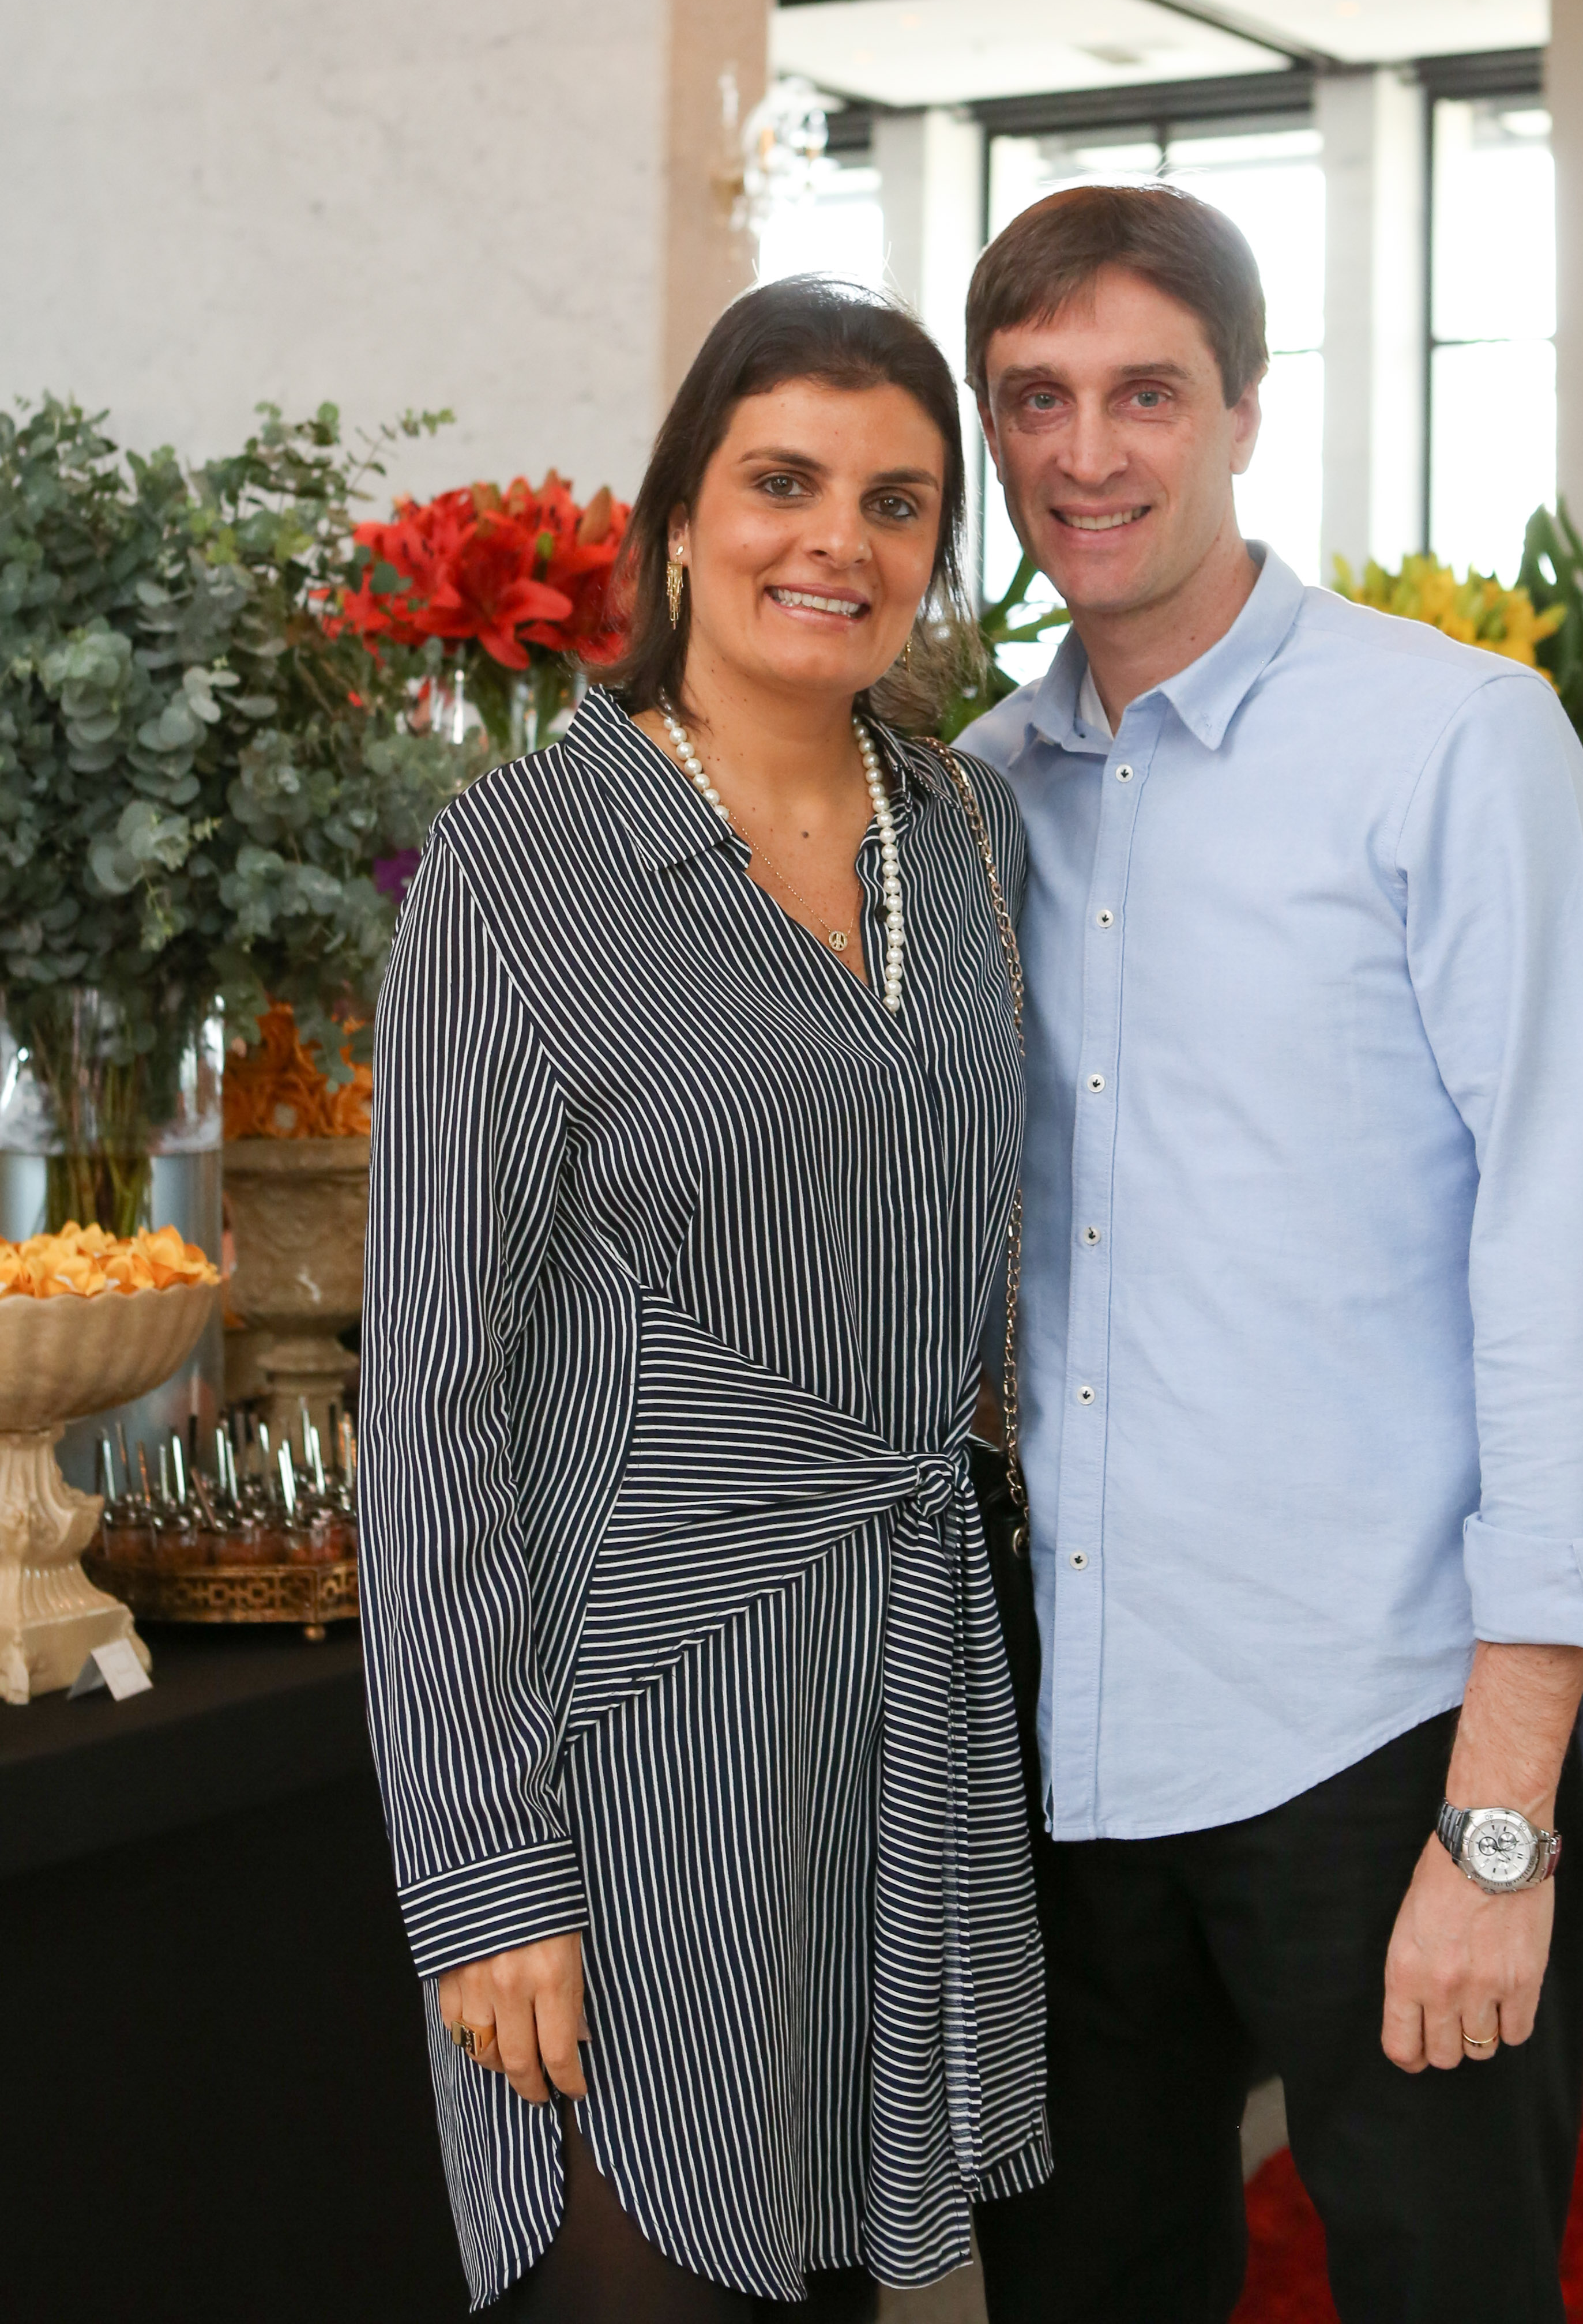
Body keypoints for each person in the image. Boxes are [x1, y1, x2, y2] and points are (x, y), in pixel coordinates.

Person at [956, 184, 1583, 2324]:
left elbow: (1563, 1261)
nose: (1088, 451)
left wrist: (1499, 1813)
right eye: (1035, 400)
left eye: (1145, 393)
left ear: (1245, 412)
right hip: (1063, 1736)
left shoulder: (1450, 739)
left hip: (1377, 1728)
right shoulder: (974, 793)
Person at [359, 277, 1050, 2319]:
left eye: (897, 503)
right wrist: (486, 1873)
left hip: (911, 1675)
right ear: (678, 520)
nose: (838, 540)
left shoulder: (970, 832)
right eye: (782, 483)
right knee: (643, 2264)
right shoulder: (519, 867)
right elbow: (438, 1401)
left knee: (831, 2279)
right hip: (639, 1714)